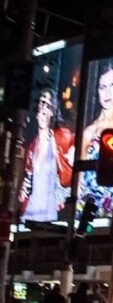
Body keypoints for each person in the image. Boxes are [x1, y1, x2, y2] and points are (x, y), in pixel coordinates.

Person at [78, 61, 113, 218]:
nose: (107, 93)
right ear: (97, 91)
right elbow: (79, 180)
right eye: (102, 87)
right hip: (88, 207)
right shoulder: (88, 132)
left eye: (112, 85)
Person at [19, 88, 74, 222]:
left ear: (52, 112)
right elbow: (28, 181)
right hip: (30, 214)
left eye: (48, 106)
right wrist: (23, 192)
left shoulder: (61, 137)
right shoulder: (32, 147)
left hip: (51, 215)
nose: (43, 109)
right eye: (42, 103)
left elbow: (70, 175)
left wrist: (72, 154)